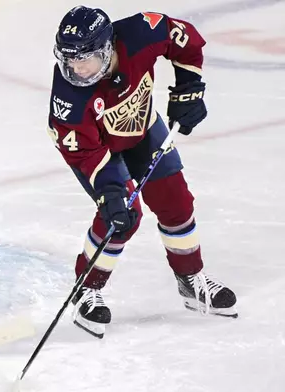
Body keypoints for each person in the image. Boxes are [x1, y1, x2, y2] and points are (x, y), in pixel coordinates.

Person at [47, 6, 237, 338]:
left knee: (176, 201)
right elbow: (85, 153)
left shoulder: (141, 33)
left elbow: (187, 39)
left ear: (107, 49)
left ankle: (190, 279)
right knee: (121, 216)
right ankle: (86, 289)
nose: (75, 70)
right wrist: (111, 193)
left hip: (143, 128)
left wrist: (188, 88)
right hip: (97, 149)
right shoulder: (68, 98)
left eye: (84, 60)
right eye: (69, 61)